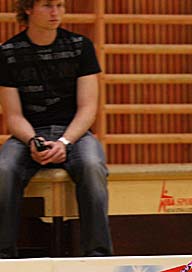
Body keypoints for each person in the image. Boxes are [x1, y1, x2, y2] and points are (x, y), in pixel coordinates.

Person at [0, 0, 112, 258]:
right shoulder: (8, 53)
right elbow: (13, 116)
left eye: (60, 5)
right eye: (48, 5)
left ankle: (97, 254)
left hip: (74, 132)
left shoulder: (80, 46)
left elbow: (88, 108)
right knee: (4, 170)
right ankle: (3, 256)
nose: (56, 12)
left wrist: (64, 142)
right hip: (29, 133)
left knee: (92, 166)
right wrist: (33, 141)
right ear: (28, 9)